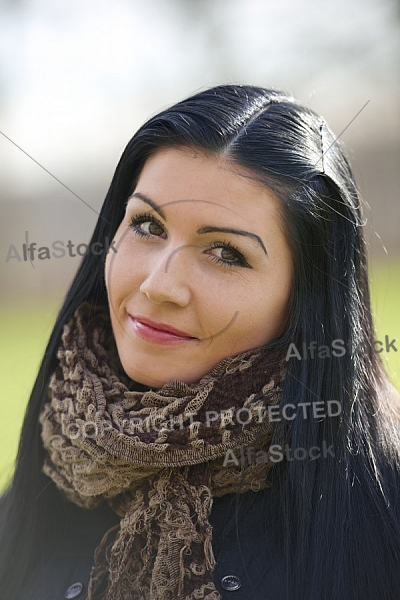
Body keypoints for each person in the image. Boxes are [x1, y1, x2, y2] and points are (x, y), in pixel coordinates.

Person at [0, 84, 399, 600]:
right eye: (147, 225)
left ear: (307, 297)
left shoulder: (384, 511)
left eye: (226, 253)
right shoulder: (39, 493)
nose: (158, 284)